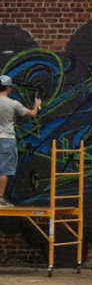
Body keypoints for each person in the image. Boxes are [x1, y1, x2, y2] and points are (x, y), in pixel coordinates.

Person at [0, 74, 42, 207]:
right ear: (8, 88)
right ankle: (0, 198)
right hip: (7, 139)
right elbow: (32, 114)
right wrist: (37, 105)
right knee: (4, 169)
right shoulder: (13, 104)